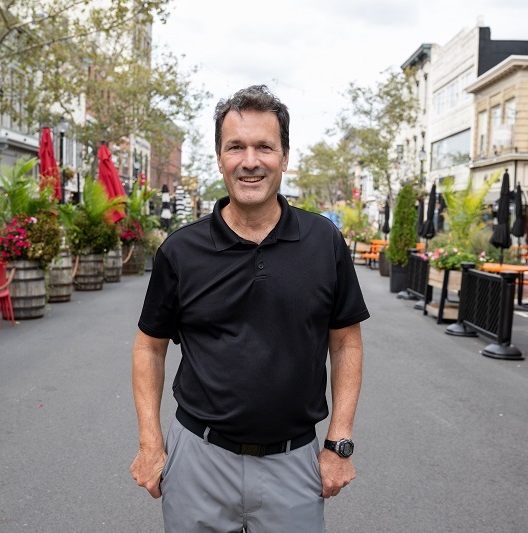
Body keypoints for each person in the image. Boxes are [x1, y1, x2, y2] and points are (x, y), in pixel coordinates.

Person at [130, 85, 369, 532]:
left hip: (294, 461)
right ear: (219, 158)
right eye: (235, 147)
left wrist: (339, 442)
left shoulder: (324, 243)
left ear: (285, 155)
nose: (250, 160)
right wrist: (150, 442)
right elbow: (149, 348)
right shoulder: (182, 251)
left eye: (265, 146)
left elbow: (345, 343)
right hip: (198, 459)